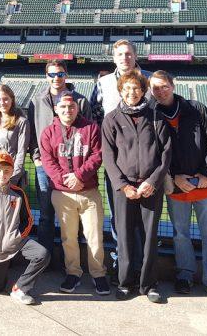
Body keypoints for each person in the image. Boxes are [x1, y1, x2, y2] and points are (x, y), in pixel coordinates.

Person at [149, 71, 207, 301]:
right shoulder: (152, 114)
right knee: (180, 234)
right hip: (176, 187)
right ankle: (185, 274)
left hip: (205, 185)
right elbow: (153, 152)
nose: (160, 91)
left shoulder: (196, 108)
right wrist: (174, 177)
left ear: (173, 85)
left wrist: (206, 173)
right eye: (155, 88)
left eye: (164, 86)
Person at [101, 69, 172, 303]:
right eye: (127, 88)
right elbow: (108, 157)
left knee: (150, 236)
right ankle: (125, 282)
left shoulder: (155, 117)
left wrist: (153, 181)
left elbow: (166, 155)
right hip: (124, 189)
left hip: (150, 188)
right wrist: (122, 186)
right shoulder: (111, 118)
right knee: (124, 237)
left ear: (143, 91)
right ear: (121, 90)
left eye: (136, 88)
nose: (132, 92)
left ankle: (149, 284)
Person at [90, 39, 150, 276]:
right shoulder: (103, 83)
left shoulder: (148, 79)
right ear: (114, 58)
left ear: (135, 56)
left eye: (128, 54)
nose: (124, 58)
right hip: (116, 162)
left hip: (146, 163)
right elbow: (96, 116)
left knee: (144, 220)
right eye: (120, 54)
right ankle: (121, 263)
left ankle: (142, 267)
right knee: (119, 218)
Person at [39, 91, 109, 296]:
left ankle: (98, 274)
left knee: (94, 236)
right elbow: (48, 162)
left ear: (77, 108)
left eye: (71, 107)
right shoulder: (48, 133)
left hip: (89, 191)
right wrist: (67, 180)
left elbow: (97, 155)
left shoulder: (91, 127)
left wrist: (79, 176)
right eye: (63, 107)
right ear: (56, 109)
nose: (67, 110)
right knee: (68, 237)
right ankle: (73, 272)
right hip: (62, 193)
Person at [27, 60, 91, 254]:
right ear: (46, 77)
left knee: (74, 215)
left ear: (66, 75)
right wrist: (37, 158)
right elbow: (32, 131)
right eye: (52, 74)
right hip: (44, 166)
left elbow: (89, 133)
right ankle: (43, 259)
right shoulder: (36, 101)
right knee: (46, 215)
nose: (56, 78)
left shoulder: (80, 101)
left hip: (73, 167)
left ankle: (73, 261)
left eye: (60, 74)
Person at [0, 152, 50, 305]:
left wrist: (18, 237)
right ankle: (4, 271)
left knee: (42, 254)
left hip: (15, 244)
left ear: (12, 172)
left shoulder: (18, 193)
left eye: (6, 171)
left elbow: (28, 219)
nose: (2, 174)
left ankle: (20, 288)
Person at [0, 84, 31, 187]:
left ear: (12, 100)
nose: (2, 103)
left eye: (5, 99)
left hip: (10, 177)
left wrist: (13, 177)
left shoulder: (21, 122)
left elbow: (21, 152)